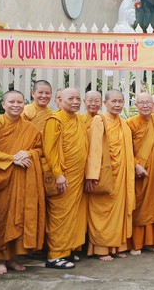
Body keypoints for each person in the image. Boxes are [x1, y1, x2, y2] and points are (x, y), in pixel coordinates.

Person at [0, 90, 45, 275]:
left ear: (25, 104)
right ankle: (0, 259)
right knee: (0, 219)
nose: (16, 105)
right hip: (0, 179)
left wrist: (29, 153)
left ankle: (13, 258)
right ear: (3, 104)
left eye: (20, 102)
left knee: (18, 220)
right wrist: (11, 159)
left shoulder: (30, 127)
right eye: (11, 102)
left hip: (22, 180)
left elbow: (39, 149)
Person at [85, 89, 136, 261]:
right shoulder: (99, 120)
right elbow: (95, 148)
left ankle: (118, 245)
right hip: (104, 174)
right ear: (105, 103)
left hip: (121, 174)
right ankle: (101, 249)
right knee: (102, 211)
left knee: (119, 211)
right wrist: (92, 175)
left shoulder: (123, 124)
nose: (117, 105)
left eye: (120, 101)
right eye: (113, 101)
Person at [42, 88, 88, 269]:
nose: (76, 101)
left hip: (77, 176)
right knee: (60, 214)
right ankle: (54, 256)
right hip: (63, 176)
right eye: (71, 98)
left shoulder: (79, 119)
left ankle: (67, 250)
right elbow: (50, 150)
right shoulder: (55, 120)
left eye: (78, 98)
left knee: (73, 214)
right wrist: (58, 174)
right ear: (60, 100)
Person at [126, 93, 154, 255]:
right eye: (141, 103)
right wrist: (136, 165)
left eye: (148, 103)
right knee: (140, 207)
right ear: (135, 105)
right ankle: (136, 244)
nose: (145, 105)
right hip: (140, 172)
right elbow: (126, 149)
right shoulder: (130, 123)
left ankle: (153, 241)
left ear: (152, 105)